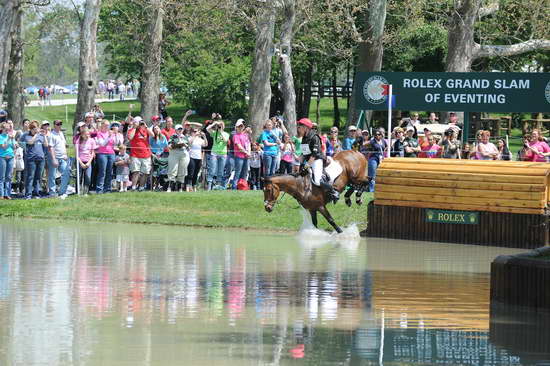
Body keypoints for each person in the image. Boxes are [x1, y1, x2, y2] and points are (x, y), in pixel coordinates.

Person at [297, 118, 339, 203]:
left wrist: (306, 165)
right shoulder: (304, 138)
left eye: (300, 126)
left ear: (306, 127)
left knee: (316, 181)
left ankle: (334, 192)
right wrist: (298, 162)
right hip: (309, 161)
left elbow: (314, 155)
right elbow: (304, 154)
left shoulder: (315, 137)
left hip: (317, 160)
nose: (298, 128)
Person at [21, 121, 48, 199]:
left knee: (38, 177)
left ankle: (36, 193)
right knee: (30, 177)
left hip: (41, 158)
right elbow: (30, 142)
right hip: (31, 159)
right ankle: (28, 194)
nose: (36, 129)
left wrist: (45, 135)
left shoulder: (41, 136)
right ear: (31, 129)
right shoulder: (27, 135)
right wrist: (36, 134)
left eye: (37, 128)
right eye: (34, 128)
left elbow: (46, 144)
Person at [127, 116, 154, 191]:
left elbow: (153, 135)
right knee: (136, 172)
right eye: (139, 122)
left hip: (146, 154)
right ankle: (133, 187)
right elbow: (130, 137)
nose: (140, 123)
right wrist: (135, 127)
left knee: (145, 172)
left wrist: (145, 126)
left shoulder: (145, 129)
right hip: (135, 155)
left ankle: (141, 187)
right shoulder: (132, 129)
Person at [47, 120, 72, 198]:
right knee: (52, 175)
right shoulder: (51, 135)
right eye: (58, 124)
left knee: (66, 173)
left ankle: (62, 191)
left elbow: (64, 145)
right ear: (54, 125)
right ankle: (52, 192)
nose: (59, 125)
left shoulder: (61, 133)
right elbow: (50, 147)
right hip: (54, 157)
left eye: (60, 124)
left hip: (63, 158)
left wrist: (65, 154)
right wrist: (54, 159)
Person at [94, 120, 121, 194]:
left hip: (111, 153)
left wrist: (116, 135)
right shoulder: (99, 133)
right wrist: (109, 136)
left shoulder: (111, 133)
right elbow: (102, 144)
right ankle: (99, 189)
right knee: (102, 172)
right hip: (102, 154)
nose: (107, 126)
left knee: (109, 172)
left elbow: (116, 143)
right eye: (106, 125)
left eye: (108, 125)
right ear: (102, 125)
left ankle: (107, 188)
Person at [206, 120, 229, 190]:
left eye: (221, 125)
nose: (220, 126)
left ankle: (218, 185)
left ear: (223, 127)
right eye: (219, 125)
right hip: (214, 153)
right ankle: (209, 185)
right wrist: (214, 123)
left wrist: (221, 132)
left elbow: (225, 140)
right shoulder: (214, 133)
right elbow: (207, 129)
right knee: (212, 169)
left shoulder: (226, 134)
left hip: (223, 154)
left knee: (221, 170)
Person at [167, 124, 190, 192]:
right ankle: (170, 187)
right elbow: (169, 146)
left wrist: (185, 145)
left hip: (184, 154)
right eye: (178, 129)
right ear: (176, 130)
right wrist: (177, 145)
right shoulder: (173, 136)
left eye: (181, 129)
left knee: (182, 171)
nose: (180, 130)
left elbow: (189, 148)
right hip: (174, 153)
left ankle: (180, 188)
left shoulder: (185, 137)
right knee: (173, 170)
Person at [230, 119, 251, 190]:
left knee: (244, 173)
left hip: (246, 157)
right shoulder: (235, 136)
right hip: (239, 157)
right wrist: (247, 152)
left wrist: (249, 153)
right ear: (236, 127)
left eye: (242, 126)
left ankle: (242, 187)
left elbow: (248, 145)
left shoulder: (246, 135)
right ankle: (234, 188)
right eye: (239, 126)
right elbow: (239, 147)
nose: (240, 128)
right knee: (237, 173)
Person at [75, 127, 96, 195]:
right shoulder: (78, 141)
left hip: (88, 161)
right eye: (86, 134)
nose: (87, 135)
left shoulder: (92, 141)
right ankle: (78, 191)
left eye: (88, 134)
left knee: (88, 177)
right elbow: (76, 154)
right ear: (82, 134)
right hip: (80, 161)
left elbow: (92, 153)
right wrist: (81, 163)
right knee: (79, 177)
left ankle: (85, 192)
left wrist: (88, 163)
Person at [185, 128, 207, 192]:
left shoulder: (200, 139)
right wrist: (194, 136)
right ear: (191, 132)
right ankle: (188, 187)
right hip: (191, 157)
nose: (196, 132)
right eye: (194, 131)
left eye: (197, 131)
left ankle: (194, 187)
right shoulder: (190, 138)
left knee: (196, 174)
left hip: (199, 158)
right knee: (190, 173)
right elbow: (189, 143)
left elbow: (206, 144)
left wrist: (204, 136)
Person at [0, 122, 17, 199]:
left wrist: (13, 140)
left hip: (11, 157)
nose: (8, 130)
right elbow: (3, 147)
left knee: (9, 176)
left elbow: (14, 147)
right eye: (6, 129)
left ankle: (7, 194)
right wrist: (9, 138)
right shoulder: (1, 137)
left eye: (8, 129)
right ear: (2, 129)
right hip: (2, 157)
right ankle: (1, 194)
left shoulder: (10, 136)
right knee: (2, 177)